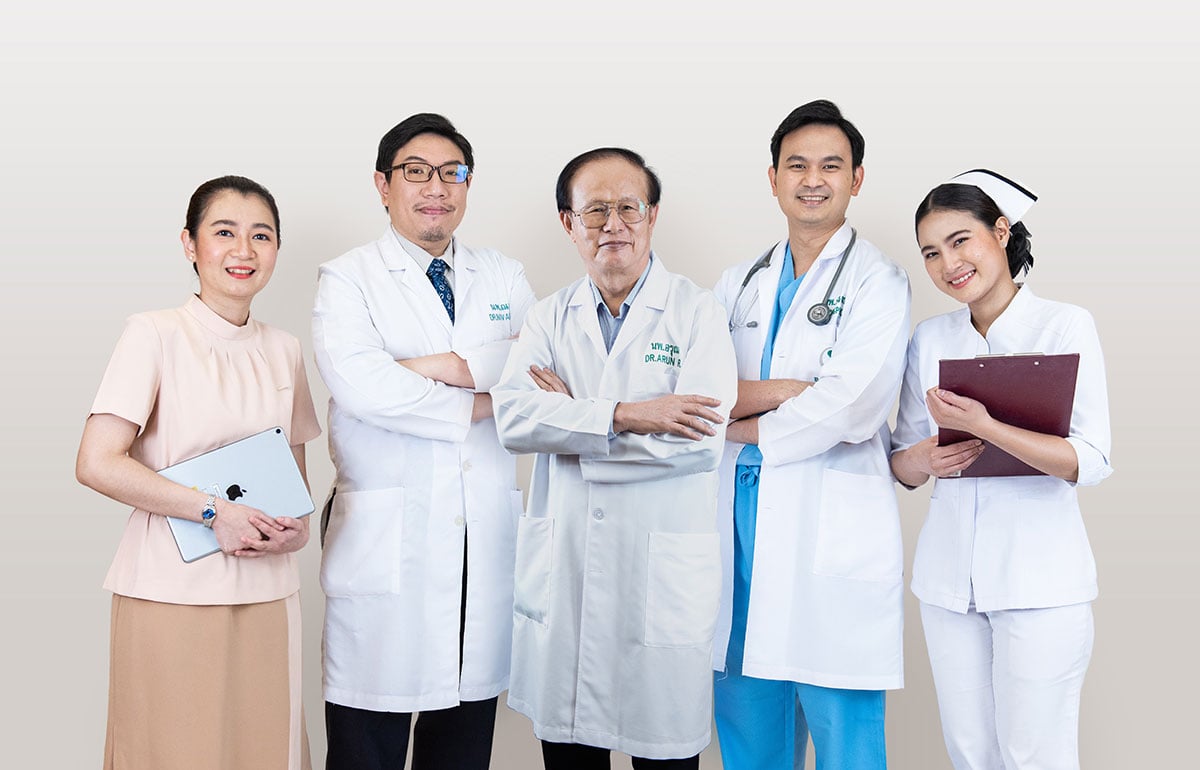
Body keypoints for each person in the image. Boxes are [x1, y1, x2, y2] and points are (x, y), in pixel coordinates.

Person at [491, 147, 737, 769]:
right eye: (595, 210)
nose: (613, 225)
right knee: (570, 752)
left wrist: (571, 425)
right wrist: (626, 414)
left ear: (652, 216)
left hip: (659, 579)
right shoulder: (548, 316)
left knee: (664, 751)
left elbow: (699, 442)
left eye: (629, 207)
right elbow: (513, 419)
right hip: (566, 571)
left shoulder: (698, 312)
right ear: (568, 223)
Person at [312, 112, 536, 770]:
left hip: (480, 547)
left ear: (467, 184)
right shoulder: (348, 277)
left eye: (451, 172)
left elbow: (540, 370)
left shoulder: (504, 274)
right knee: (366, 748)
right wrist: (484, 393)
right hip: (388, 546)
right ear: (383, 185)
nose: (435, 187)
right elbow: (363, 388)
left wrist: (426, 367)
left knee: (462, 748)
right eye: (416, 172)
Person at [75, 175, 321, 770]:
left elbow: (294, 474)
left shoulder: (284, 348)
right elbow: (97, 462)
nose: (244, 251)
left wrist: (297, 529)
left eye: (261, 235)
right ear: (190, 243)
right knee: (174, 751)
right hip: (171, 589)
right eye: (224, 232)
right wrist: (214, 513)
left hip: (268, 590)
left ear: (276, 249)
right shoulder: (153, 334)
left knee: (266, 751)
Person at [711, 100, 911, 770]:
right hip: (737, 531)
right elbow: (697, 391)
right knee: (749, 735)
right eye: (796, 165)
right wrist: (792, 392)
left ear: (857, 179)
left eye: (831, 165)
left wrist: (738, 425)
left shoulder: (879, 281)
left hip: (829, 533)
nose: (813, 179)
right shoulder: (738, 283)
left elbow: (854, 408)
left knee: (847, 742)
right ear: (773, 179)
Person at [890, 170, 1111, 770]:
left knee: (1034, 755)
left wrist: (987, 427)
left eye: (960, 240)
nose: (948, 264)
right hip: (948, 585)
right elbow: (902, 464)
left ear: (1002, 231)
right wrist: (925, 457)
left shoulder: (1064, 325)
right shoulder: (929, 338)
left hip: (1040, 584)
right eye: (931, 253)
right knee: (970, 754)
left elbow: (1090, 459)